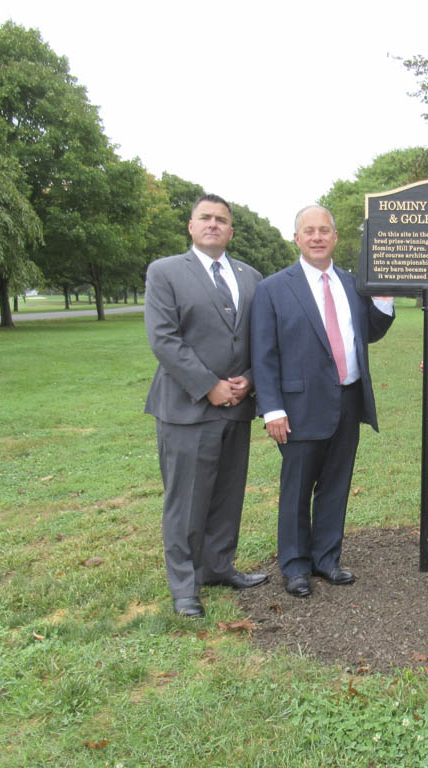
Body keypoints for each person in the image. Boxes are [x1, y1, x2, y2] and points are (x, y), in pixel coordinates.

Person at [250, 205, 395, 598]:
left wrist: (383, 295)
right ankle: (295, 567)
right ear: (296, 238)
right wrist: (273, 408)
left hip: (347, 400)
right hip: (297, 408)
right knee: (297, 488)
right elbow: (263, 354)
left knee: (335, 484)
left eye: (324, 230)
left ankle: (327, 560)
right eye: (308, 231)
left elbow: (370, 331)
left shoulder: (351, 283)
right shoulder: (273, 288)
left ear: (334, 237)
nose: (317, 237)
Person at [144, 194, 268, 619]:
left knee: (228, 494)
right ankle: (185, 586)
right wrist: (208, 385)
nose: (214, 224)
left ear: (231, 230)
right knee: (187, 500)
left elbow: (263, 338)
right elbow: (164, 338)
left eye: (222, 220)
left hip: (238, 404)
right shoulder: (165, 273)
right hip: (186, 408)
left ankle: (218, 567)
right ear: (191, 227)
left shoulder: (252, 277)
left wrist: (249, 379)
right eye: (205, 218)